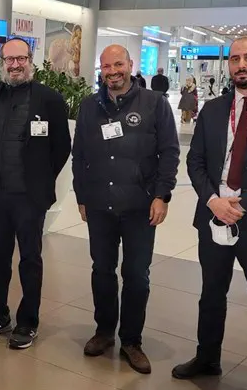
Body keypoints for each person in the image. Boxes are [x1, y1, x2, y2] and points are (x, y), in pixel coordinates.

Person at [175, 35, 247, 390]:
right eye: (235, 58)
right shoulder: (213, 109)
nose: (242, 65)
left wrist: (242, 204)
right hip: (214, 217)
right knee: (211, 294)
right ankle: (207, 358)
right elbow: (195, 161)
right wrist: (213, 200)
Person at [72, 44, 179, 374]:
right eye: (107, 66)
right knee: (102, 270)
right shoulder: (89, 106)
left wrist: (162, 195)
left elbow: (169, 152)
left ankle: (132, 340)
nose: (113, 71)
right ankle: (104, 332)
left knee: (136, 275)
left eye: (119, 64)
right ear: (100, 69)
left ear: (131, 65)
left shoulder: (155, 104)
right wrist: (81, 196)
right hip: (99, 206)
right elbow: (79, 155)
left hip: (139, 207)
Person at [0, 38, 71, 349]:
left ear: (30, 60)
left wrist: (42, 178)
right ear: (2, 62)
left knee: (30, 259)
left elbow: (62, 147)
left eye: (20, 59)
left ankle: (28, 321)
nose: (15, 65)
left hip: (29, 197)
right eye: (9, 60)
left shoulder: (49, 99)